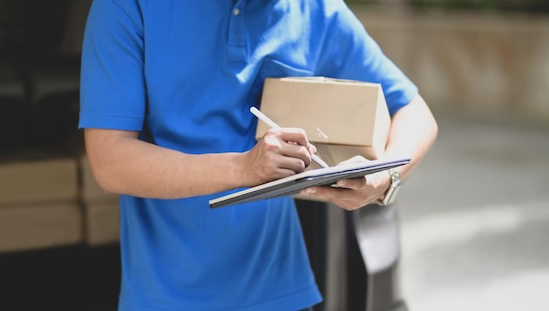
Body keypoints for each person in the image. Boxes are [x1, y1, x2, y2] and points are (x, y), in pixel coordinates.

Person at [78, 0, 438, 310]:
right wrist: (244, 167)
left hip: (285, 294)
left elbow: (416, 113)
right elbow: (110, 162)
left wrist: (382, 178)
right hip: (165, 298)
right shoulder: (129, 6)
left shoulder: (310, 8)